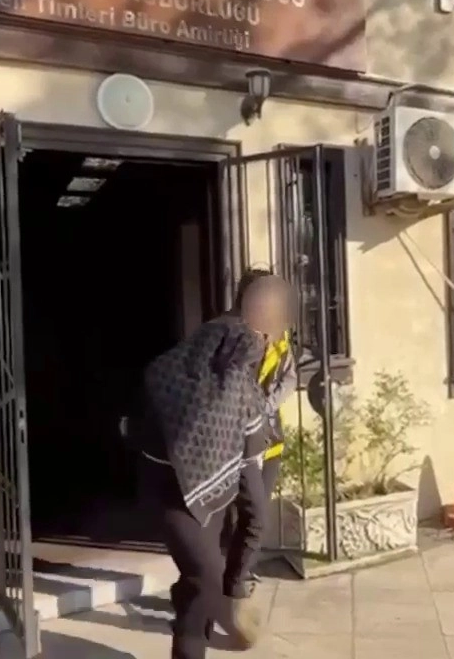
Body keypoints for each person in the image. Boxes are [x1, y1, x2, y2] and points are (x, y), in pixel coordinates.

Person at [135, 275, 291, 659]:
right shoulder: (221, 348)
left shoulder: (235, 361)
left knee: (200, 586)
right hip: (171, 489)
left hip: (210, 488)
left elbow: (254, 505)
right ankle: (201, 621)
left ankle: (200, 620)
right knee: (205, 577)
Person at [220, 269, 298, 600]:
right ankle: (229, 579)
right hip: (232, 440)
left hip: (268, 436)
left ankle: (241, 572)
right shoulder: (226, 333)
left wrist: (266, 405)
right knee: (238, 513)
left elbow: (290, 377)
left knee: (257, 512)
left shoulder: (279, 334)